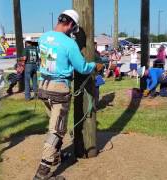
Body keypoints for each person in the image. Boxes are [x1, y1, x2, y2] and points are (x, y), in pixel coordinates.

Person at [33, 9, 102, 180]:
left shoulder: (43, 38)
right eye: (73, 28)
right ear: (71, 24)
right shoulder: (69, 44)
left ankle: (55, 157)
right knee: (56, 130)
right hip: (59, 89)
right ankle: (42, 173)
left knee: (53, 123)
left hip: (43, 87)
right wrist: (95, 66)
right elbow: (82, 67)